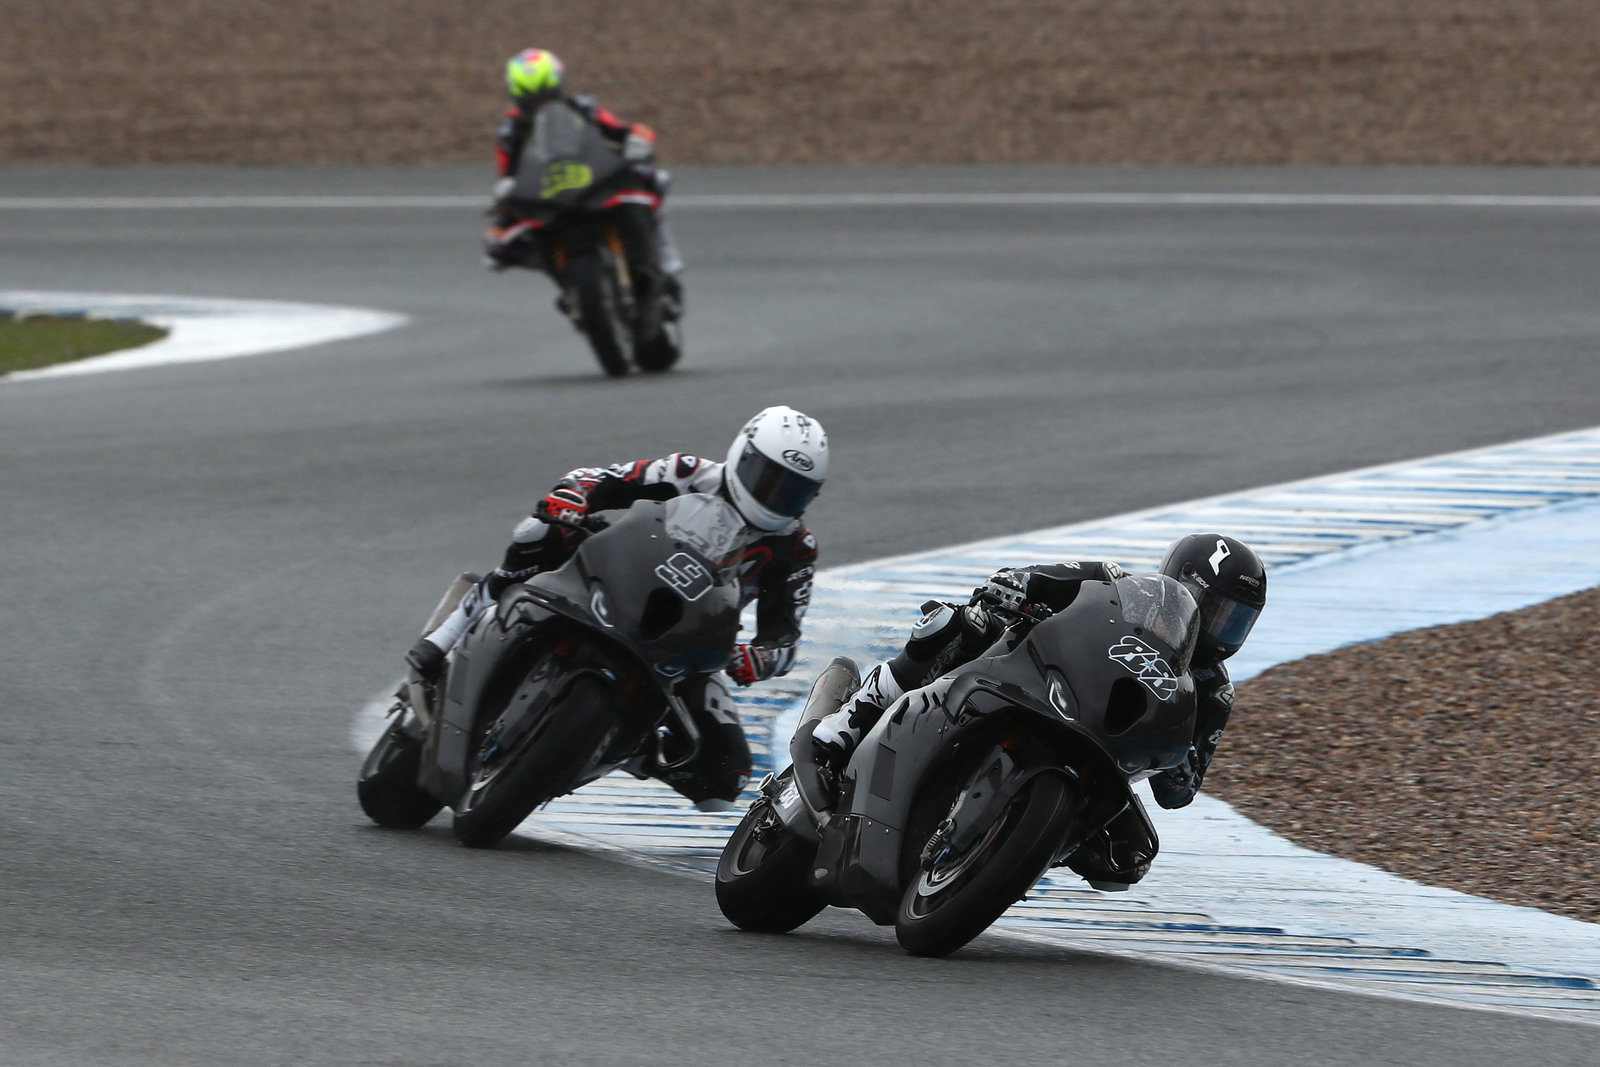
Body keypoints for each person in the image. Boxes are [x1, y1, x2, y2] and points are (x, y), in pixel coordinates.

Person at [405, 406, 828, 811]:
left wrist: (760, 658)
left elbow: (785, 637)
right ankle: (449, 633)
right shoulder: (690, 473)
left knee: (726, 775)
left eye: (793, 491)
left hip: (684, 639)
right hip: (613, 576)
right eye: (768, 480)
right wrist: (573, 496)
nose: (776, 498)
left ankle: (617, 746)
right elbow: (603, 478)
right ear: (742, 455)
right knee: (537, 532)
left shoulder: (795, 549)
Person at [810, 533, 1267, 889]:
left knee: (1129, 857)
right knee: (961, 624)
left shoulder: (1213, 693)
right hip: (1026, 675)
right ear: (1177, 579)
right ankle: (855, 716)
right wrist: (1016, 590)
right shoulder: (1116, 584)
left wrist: (1179, 758)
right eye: (1211, 607)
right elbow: (1022, 578)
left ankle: (1013, 849)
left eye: (1234, 619)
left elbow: (1177, 792)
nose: (1216, 627)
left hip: (1100, 754)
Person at [484, 47, 684, 323]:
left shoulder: (583, 108)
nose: (540, 106)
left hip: (594, 177)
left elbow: (624, 130)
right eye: (531, 101)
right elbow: (507, 171)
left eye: (546, 96)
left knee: (648, 183)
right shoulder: (510, 130)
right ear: (517, 97)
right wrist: (506, 191)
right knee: (501, 241)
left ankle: (665, 263)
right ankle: (568, 286)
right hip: (549, 193)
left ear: (559, 87)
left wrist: (637, 140)